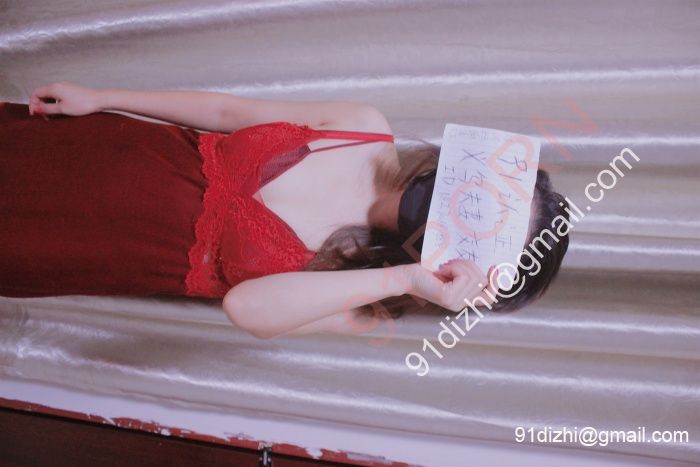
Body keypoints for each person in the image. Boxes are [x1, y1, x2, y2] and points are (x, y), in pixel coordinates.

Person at [0, 81, 569, 339]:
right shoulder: (364, 126)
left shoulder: (366, 303)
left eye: (480, 239)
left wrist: (407, 278)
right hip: (102, 150)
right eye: (486, 202)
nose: (463, 212)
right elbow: (224, 112)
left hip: (90, 246)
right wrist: (104, 96)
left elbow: (245, 307)